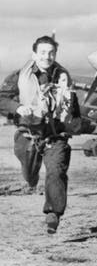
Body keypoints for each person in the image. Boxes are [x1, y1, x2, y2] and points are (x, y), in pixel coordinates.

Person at [0, 36, 79, 234]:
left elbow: (73, 106)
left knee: (56, 172)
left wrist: (74, 125)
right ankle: (31, 178)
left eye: (51, 53)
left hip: (55, 135)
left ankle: (53, 214)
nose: (47, 56)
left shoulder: (63, 78)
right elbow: (1, 99)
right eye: (43, 52)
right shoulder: (19, 76)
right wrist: (18, 108)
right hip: (28, 134)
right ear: (34, 54)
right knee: (29, 172)